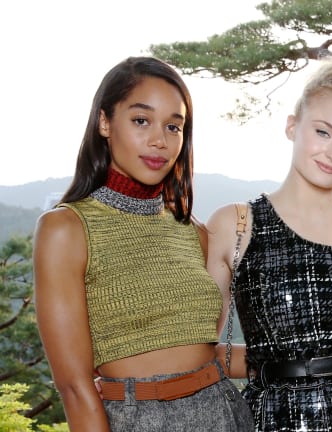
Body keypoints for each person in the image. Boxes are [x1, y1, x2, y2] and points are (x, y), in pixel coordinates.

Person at [33, 56, 254, 431]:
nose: (159, 140)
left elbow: (203, 351)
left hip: (224, 410)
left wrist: (312, 356)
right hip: (138, 420)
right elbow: (75, 388)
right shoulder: (66, 229)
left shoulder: (193, 231)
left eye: (173, 126)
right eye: (141, 120)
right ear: (105, 122)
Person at [205, 52, 332, 431]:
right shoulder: (235, 225)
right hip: (270, 418)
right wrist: (270, 366)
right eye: (323, 132)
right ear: (292, 126)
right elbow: (205, 352)